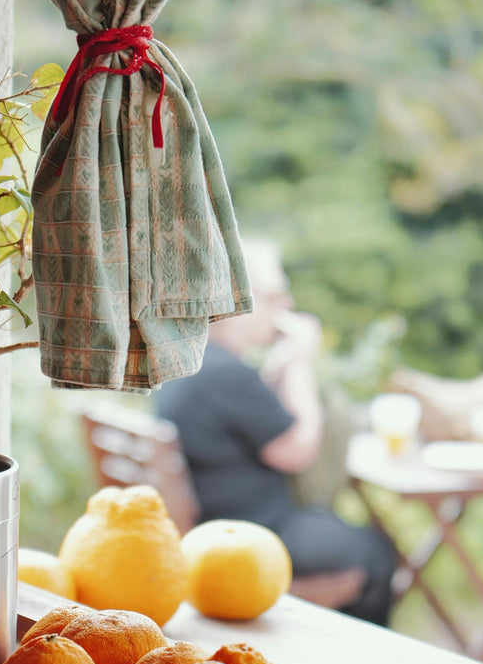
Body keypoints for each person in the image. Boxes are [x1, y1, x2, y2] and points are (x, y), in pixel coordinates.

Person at [155, 239, 394, 626]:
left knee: (348, 536)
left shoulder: (193, 361)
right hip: (251, 533)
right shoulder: (227, 374)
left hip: (219, 524)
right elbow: (298, 450)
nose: (286, 306)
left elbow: (257, 419)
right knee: (373, 551)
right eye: (273, 297)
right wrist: (299, 362)